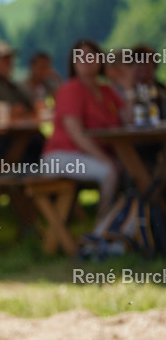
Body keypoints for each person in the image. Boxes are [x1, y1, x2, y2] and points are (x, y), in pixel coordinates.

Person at [43, 39, 125, 218]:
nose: (86, 59)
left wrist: (128, 87)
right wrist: (105, 159)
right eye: (80, 56)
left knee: (133, 169)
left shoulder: (107, 90)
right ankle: (102, 231)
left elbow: (130, 122)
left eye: (91, 55)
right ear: (73, 63)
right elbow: (76, 134)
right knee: (109, 172)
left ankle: (125, 224)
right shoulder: (71, 89)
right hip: (62, 156)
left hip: (89, 155)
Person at [0, 41, 44, 164]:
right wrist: (8, 112)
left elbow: (32, 107)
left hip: (21, 135)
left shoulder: (15, 86)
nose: (9, 63)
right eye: (4, 60)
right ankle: (10, 177)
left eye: (10, 59)